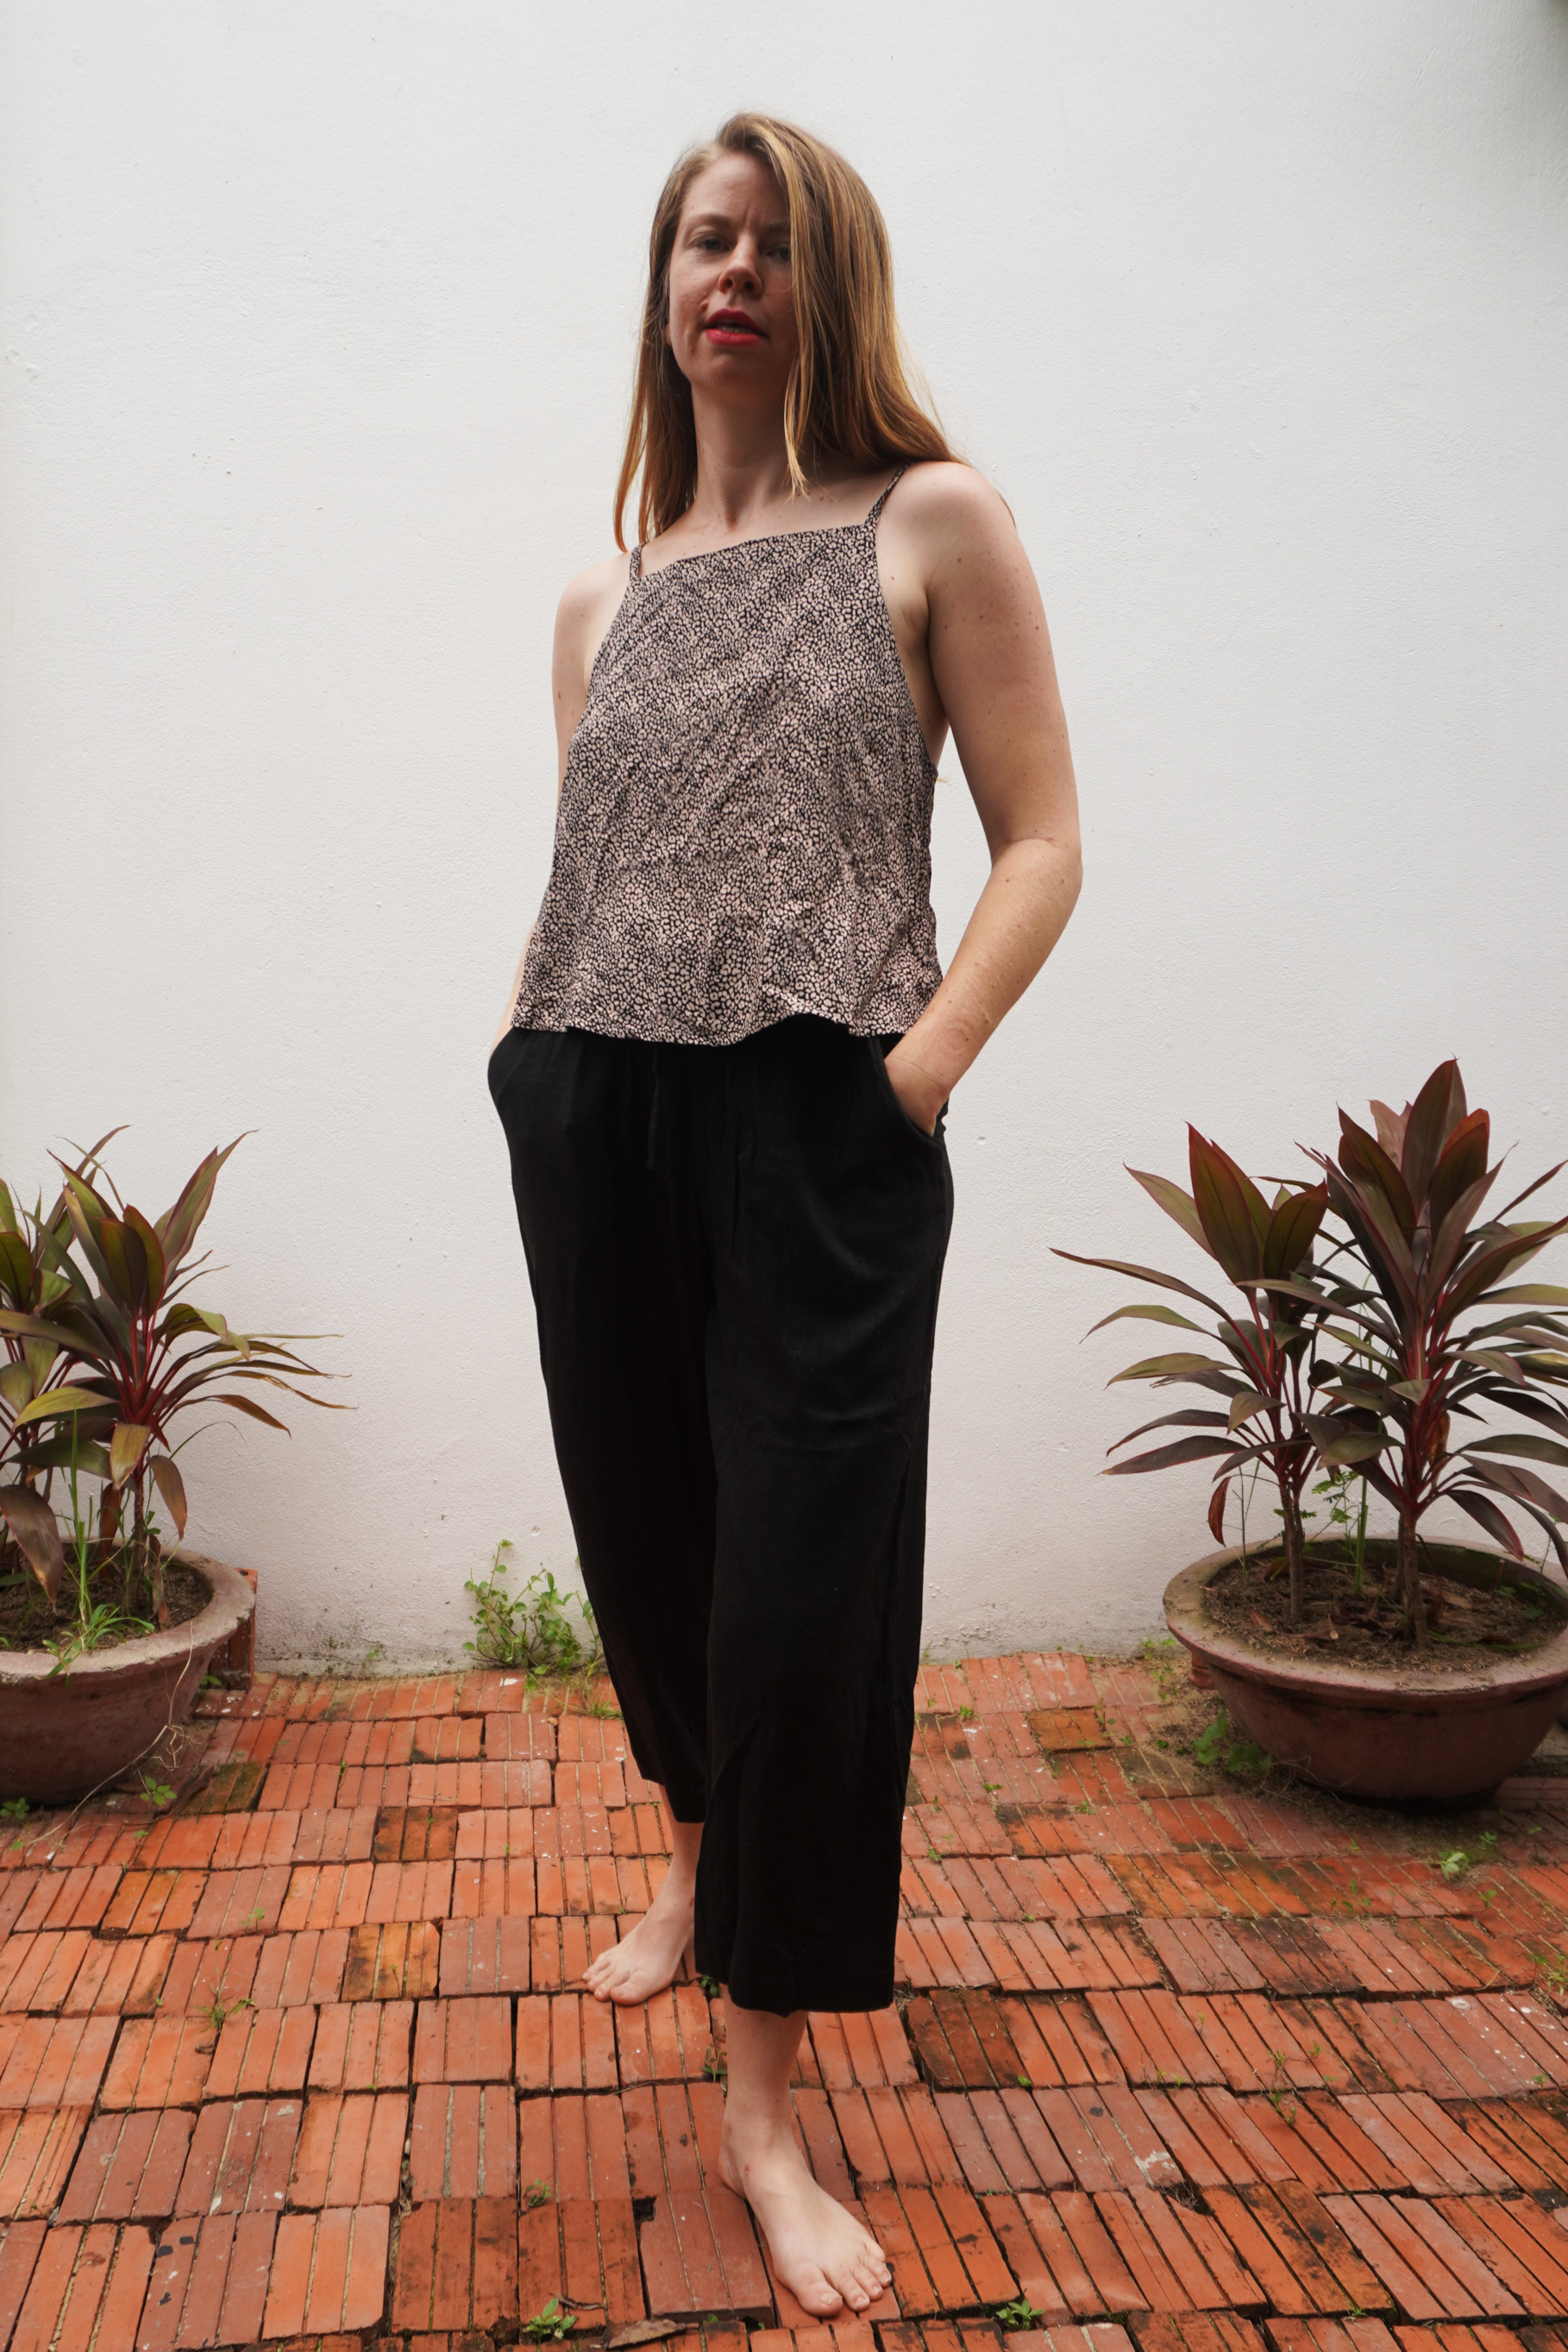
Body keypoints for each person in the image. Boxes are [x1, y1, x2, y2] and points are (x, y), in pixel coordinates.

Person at [489, 110, 1080, 2322]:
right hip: (598, 1094)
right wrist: (542, 1067)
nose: (729, 272)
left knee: (806, 1593)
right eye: (697, 241)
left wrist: (906, 1080)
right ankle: (693, 1858)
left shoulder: (930, 522)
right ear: (663, 292)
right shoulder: (605, 589)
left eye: (770, 242)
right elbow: (607, 861)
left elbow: (1040, 840)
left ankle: (762, 2105)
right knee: (651, 1533)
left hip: (821, 1106)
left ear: (832, 280)